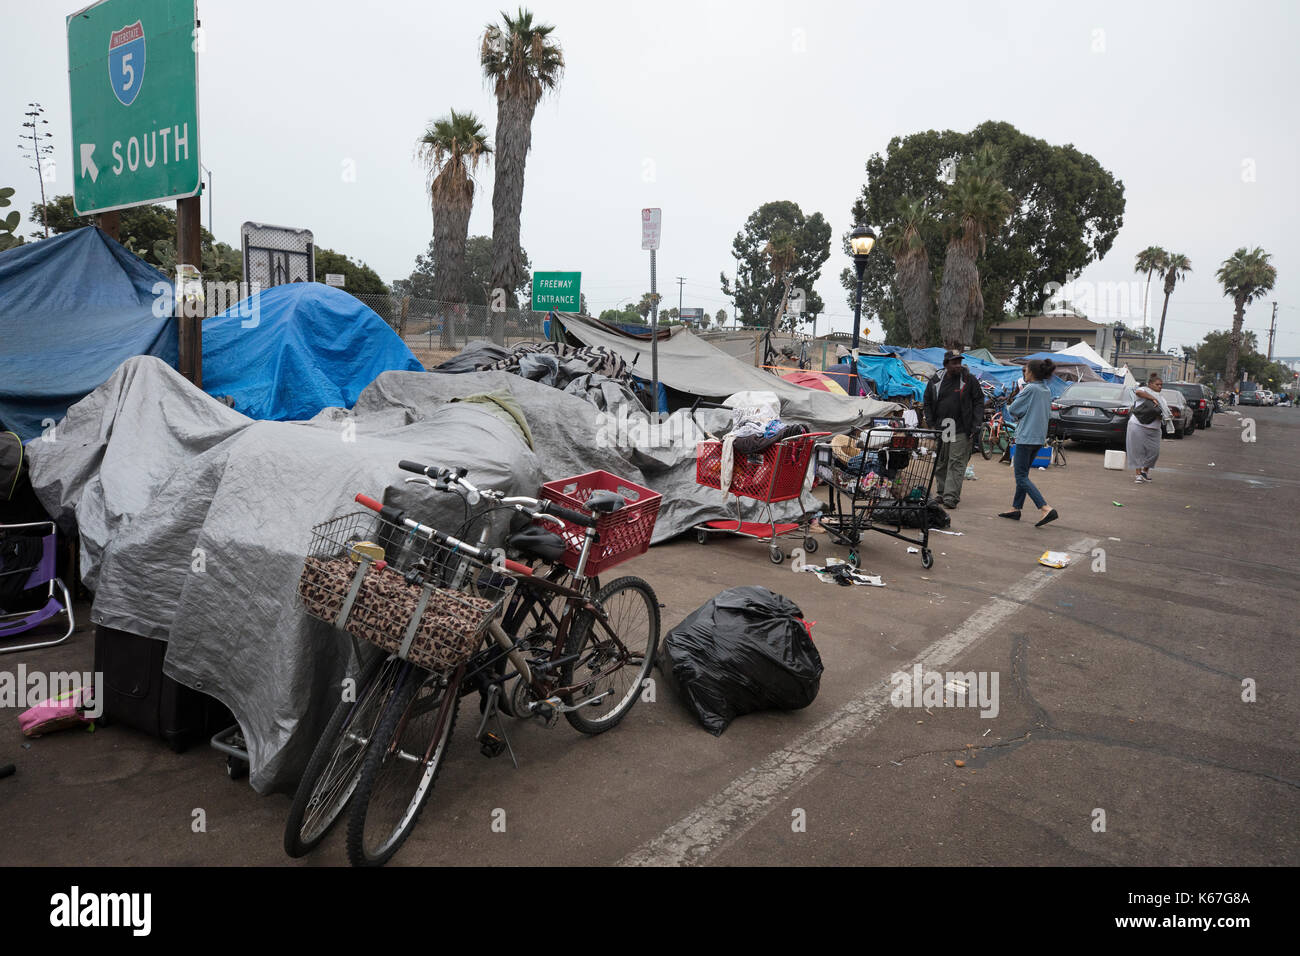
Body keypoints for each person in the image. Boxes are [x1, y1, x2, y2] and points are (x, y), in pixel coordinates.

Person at [998, 358, 1059, 526]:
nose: (1024, 373)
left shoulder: (1030, 388)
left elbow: (1014, 410)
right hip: (1039, 438)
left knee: (1021, 476)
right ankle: (1015, 508)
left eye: (1025, 370)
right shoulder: (1046, 389)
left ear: (1031, 372)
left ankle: (1045, 507)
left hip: (1026, 437)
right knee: (1023, 474)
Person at [923, 350, 984, 509]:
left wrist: (976, 424)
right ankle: (942, 493)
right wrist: (930, 422)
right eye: (954, 362)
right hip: (942, 427)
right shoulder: (936, 380)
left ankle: (951, 497)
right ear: (946, 364)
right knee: (942, 461)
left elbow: (978, 401)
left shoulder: (968, 380)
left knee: (956, 462)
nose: (958, 365)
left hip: (962, 427)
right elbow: (927, 401)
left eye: (959, 362)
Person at [1127, 372, 1172, 483]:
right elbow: (1138, 392)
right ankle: (1138, 474)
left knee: (1154, 452)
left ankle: (1145, 472)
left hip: (1154, 428)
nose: (1160, 386)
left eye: (1161, 385)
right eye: (1157, 384)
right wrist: (1152, 398)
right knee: (1137, 450)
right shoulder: (1144, 390)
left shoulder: (1162, 399)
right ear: (1150, 384)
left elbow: (1163, 414)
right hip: (1138, 424)